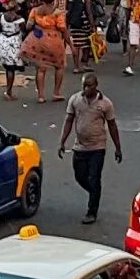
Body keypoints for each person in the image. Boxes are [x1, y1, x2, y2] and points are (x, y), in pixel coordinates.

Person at [58, 73, 122, 225]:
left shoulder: (105, 104)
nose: (86, 89)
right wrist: (62, 141)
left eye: (89, 86)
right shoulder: (75, 100)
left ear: (96, 86)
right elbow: (69, 120)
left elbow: (112, 126)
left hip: (97, 147)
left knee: (94, 178)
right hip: (79, 146)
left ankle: (91, 210)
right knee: (80, 177)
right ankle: (95, 192)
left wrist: (118, 148)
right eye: (84, 86)